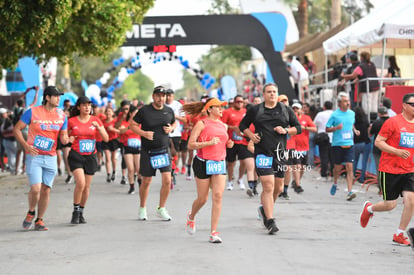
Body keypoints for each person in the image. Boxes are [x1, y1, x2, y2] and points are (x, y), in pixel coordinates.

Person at [239, 83, 301, 234]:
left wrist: (286, 129)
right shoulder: (256, 109)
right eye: (269, 92)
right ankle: (270, 220)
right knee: (268, 186)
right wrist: (251, 135)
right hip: (262, 153)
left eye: (274, 92)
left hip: (279, 154)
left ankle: (264, 209)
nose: (272, 94)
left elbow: (298, 128)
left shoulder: (285, 109)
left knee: (278, 188)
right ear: (264, 94)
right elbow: (242, 125)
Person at [360, 93, 414, 246]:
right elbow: (378, 142)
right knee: (390, 204)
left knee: (411, 201)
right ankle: (369, 209)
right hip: (389, 168)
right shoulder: (393, 122)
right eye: (413, 104)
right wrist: (396, 151)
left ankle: (399, 234)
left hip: (409, 169)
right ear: (404, 105)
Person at [14, 86, 69, 231]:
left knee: (46, 189)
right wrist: (26, 146)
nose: (58, 99)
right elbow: (17, 129)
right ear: (47, 97)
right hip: (34, 156)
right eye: (56, 96)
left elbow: (63, 136)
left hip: (51, 157)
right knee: (36, 188)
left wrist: (67, 138)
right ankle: (31, 211)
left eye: (59, 96)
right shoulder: (32, 112)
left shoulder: (62, 115)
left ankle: (39, 220)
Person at [183, 98, 233, 243]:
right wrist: (208, 143)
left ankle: (213, 232)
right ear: (210, 109)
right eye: (218, 107)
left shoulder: (223, 125)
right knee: (203, 198)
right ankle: (191, 216)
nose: (221, 109)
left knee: (217, 196)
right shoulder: (201, 123)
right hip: (203, 163)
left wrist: (229, 144)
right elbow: (190, 145)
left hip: (219, 163)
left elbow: (224, 143)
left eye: (222, 107)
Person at [130, 86, 176, 221]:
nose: (161, 98)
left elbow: (174, 123)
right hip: (148, 151)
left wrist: (171, 128)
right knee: (146, 181)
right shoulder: (144, 111)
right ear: (153, 96)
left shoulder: (169, 111)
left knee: (168, 180)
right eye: (158, 95)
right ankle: (142, 208)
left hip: (164, 151)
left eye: (163, 96)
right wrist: (144, 133)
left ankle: (161, 208)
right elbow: (132, 125)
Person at [68, 96, 108, 224]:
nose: (87, 107)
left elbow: (106, 138)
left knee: (86, 187)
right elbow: (64, 136)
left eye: (89, 105)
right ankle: (75, 211)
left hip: (90, 156)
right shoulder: (72, 121)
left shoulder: (95, 120)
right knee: (80, 183)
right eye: (84, 105)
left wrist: (99, 128)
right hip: (76, 155)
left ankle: (81, 211)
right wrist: (68, 139)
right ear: (78, 107)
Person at [326, 92, 357, 201]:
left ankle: (349, 191)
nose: (347, 103)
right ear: (339, 103)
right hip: (337, 145)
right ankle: (335, 182)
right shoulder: (334, 115)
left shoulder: (352, 113)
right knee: (337, 168)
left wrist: (354, 130)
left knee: (349, 166)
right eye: (344, 101)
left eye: (348, 100)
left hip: (349, 144)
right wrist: (336, 128)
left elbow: (351, 123)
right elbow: (327, 128)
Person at [221, 94, 254, 191]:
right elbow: (222, 124)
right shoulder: (227, 112)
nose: (240, 103)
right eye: (238, 101)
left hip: (243, 140)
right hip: (231, 140)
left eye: (241, 102)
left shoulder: (246, 112)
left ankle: (240, 179)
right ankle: (230, 181)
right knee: (231, 163)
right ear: (234, 102)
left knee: (243, 161)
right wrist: (233, 128)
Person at [291, 102, 317, 193]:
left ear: (301, 109)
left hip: (304, 146)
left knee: (302, 167)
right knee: (297, 166)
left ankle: (296, 181)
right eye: (293, 108)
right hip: (293, 146)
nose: (295, 110)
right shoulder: (291, 118)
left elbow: (314, 129)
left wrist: (305, 128)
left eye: (297, 108)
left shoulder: (307, 118)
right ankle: (298, 185)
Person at [118, 105, 141, 194]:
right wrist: (129, 127)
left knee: (138, 168)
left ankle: (140, 183)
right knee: (131, 168)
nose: (137, 114)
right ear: (131, 113)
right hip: (128, 148)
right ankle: (132, 186)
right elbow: (121, 131)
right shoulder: (125, 122)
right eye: (135, 113)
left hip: (138, 147)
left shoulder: (140, 123)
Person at [313, 101, 334, 181]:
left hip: (323, 138)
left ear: (324, 107)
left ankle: (324, 175)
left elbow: (314, 124)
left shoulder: (320, 114)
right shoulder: (335, 114)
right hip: (333, 138)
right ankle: (332, 174)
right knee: (333, 158)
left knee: (324, 157)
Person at [369, 106, 389, 186]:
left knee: (379, 168)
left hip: (377, 148)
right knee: (388, 167)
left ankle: (381, 186)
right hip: (389, 148)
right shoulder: (392, 121)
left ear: (379, 114)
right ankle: (388, 185)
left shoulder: (376, 122)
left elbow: (370, 134)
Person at [353, 107, 371, 183]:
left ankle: (352, 176)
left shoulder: (353, 121)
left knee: (355, 161)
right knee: (364, 161)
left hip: (356, 143)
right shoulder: (366, 120)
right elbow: (369, 130)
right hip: (365, 142)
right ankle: (362, 178)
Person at [102, 106, 120, 183]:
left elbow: (119, 131)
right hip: (106, 140)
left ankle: (114, 171)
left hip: (114, 140)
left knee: (113, 158)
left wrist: (112, 129)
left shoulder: (115, 121)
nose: (108, 113)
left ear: (112, 113)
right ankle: (108, 174)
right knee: (107, 157)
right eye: (107, 111)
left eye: (110, 111)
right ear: (105, 113)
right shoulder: (103, 121)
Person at [0, 109, 17, 175]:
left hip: (5, 140)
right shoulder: (8, 122)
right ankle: (14, 168)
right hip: (11, 140)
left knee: (10, 155)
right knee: (15, 155)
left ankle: (11, 168)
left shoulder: (3, 123)